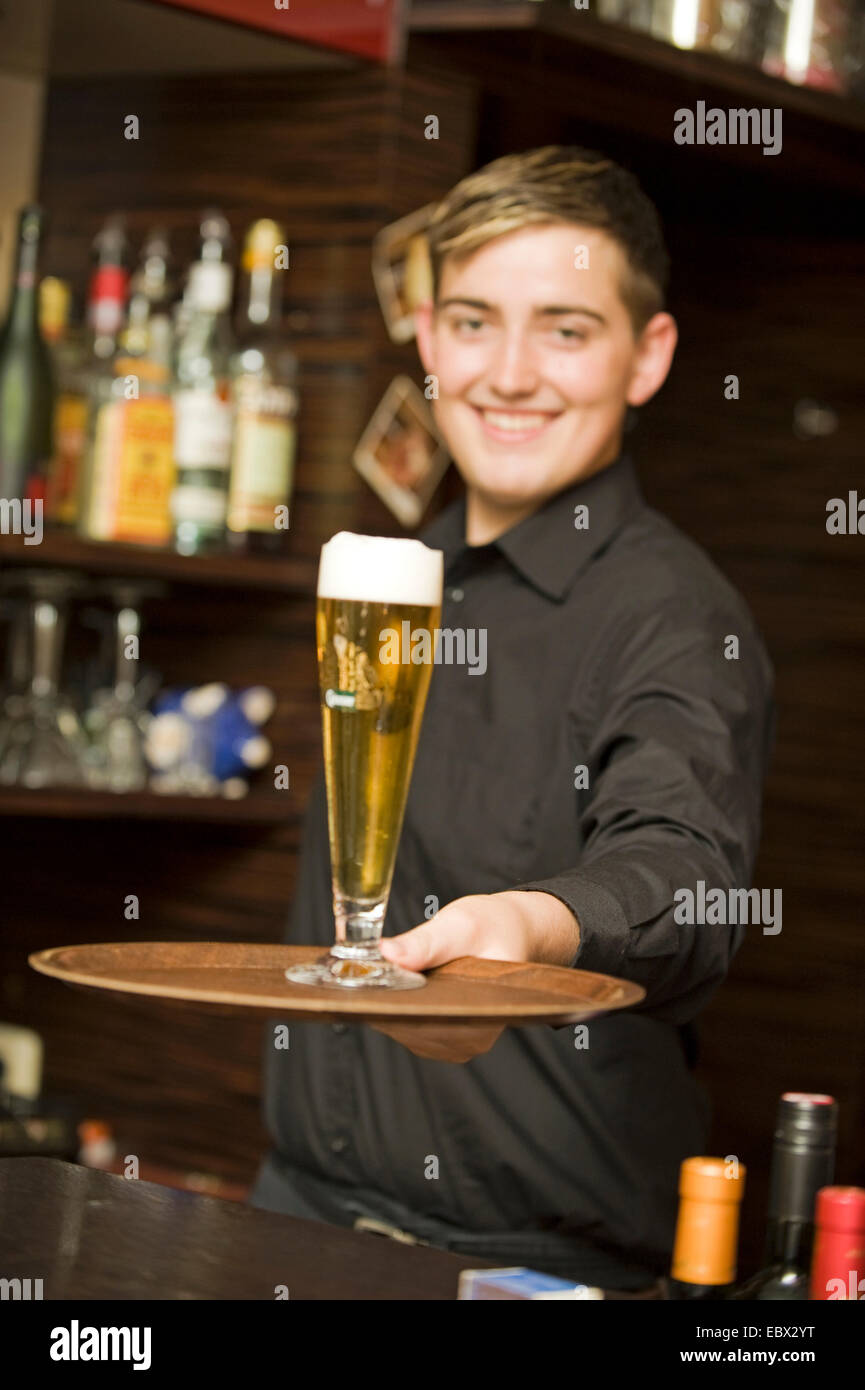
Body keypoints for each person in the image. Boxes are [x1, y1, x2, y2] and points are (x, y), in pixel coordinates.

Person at [250, 146, 775, 1290]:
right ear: (429, 340)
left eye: (567, 329)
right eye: (476, 322)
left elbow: (688, 877)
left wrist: (536, 924)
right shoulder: (389, 576)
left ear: (649, 357)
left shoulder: (673, 616)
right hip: (296, 1224)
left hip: (527, 1273)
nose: (510, 372)